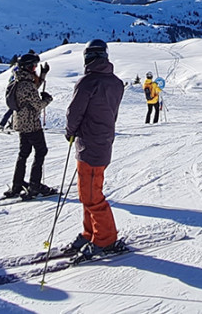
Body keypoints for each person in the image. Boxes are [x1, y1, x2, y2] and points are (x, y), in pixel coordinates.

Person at [63, 39, 125, 260]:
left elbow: (74, 112)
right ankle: (91, 232)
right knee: (87, 192)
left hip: (89, 143)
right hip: (104, 141)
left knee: (91, 195)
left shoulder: (88, 82)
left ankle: (105, 238)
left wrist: (70, 131)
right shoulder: (116, 83)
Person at [5, 53, 55, 199]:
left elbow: (33, 87)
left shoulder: (18, 79)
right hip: (31, 124)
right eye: (33, 66)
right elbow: (38, 104)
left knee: (24, 153)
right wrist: (47, 99)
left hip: (20, 123)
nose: (34, 69)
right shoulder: (26, 84)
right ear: (27, 67)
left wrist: (42, 75)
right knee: (41, 151)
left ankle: (17, 184)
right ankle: (35, 186)